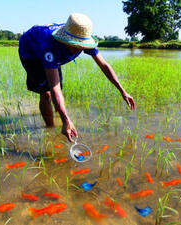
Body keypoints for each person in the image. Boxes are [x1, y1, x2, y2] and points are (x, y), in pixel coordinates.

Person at [18, 13, 135, 142]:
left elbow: (104, 66)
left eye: (81, 46)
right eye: (75, 45)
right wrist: (66, 120)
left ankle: (61, 115)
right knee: (46, 93)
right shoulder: (49, 45)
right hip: (31, 54)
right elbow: (54, 88)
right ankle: (50, 128)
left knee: (57, 94)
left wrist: (123, 91)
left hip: (52, 52)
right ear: (65, 40)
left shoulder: (82, 36)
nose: (78, 49)